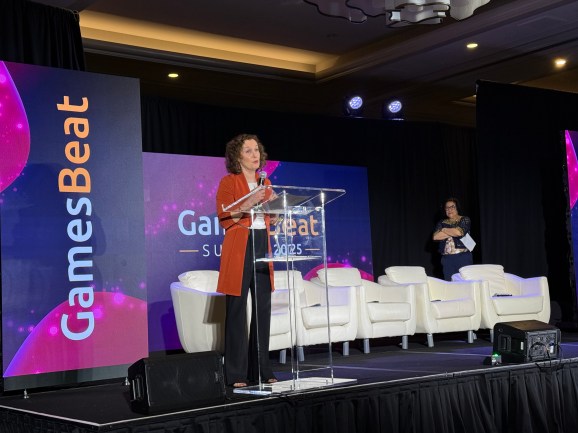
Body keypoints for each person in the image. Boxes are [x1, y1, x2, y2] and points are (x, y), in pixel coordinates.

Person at [215, 133, 278, 388]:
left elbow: (272, 217)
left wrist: (276, 210)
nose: (255, 155)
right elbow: (224, 216)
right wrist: (248, 203)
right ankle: (235, 373)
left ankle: (261, 369)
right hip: (240, 244)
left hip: (262, 241)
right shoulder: (229, 182)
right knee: (237, 309)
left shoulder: (266, 182)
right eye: (249, 151)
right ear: (237, 157)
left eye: (257, 150)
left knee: (263, 308)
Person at [432, 197, 473, 281]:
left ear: (457, 208)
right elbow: (436, 237)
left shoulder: (464, 219)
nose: (449, 209)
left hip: (463, 256)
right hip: (447, 258)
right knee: (450, 283)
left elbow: (459, 232)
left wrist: (444, 229)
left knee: (465, 282)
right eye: (447, 208)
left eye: (452, 207)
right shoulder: (441, 222)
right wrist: (452, 231)